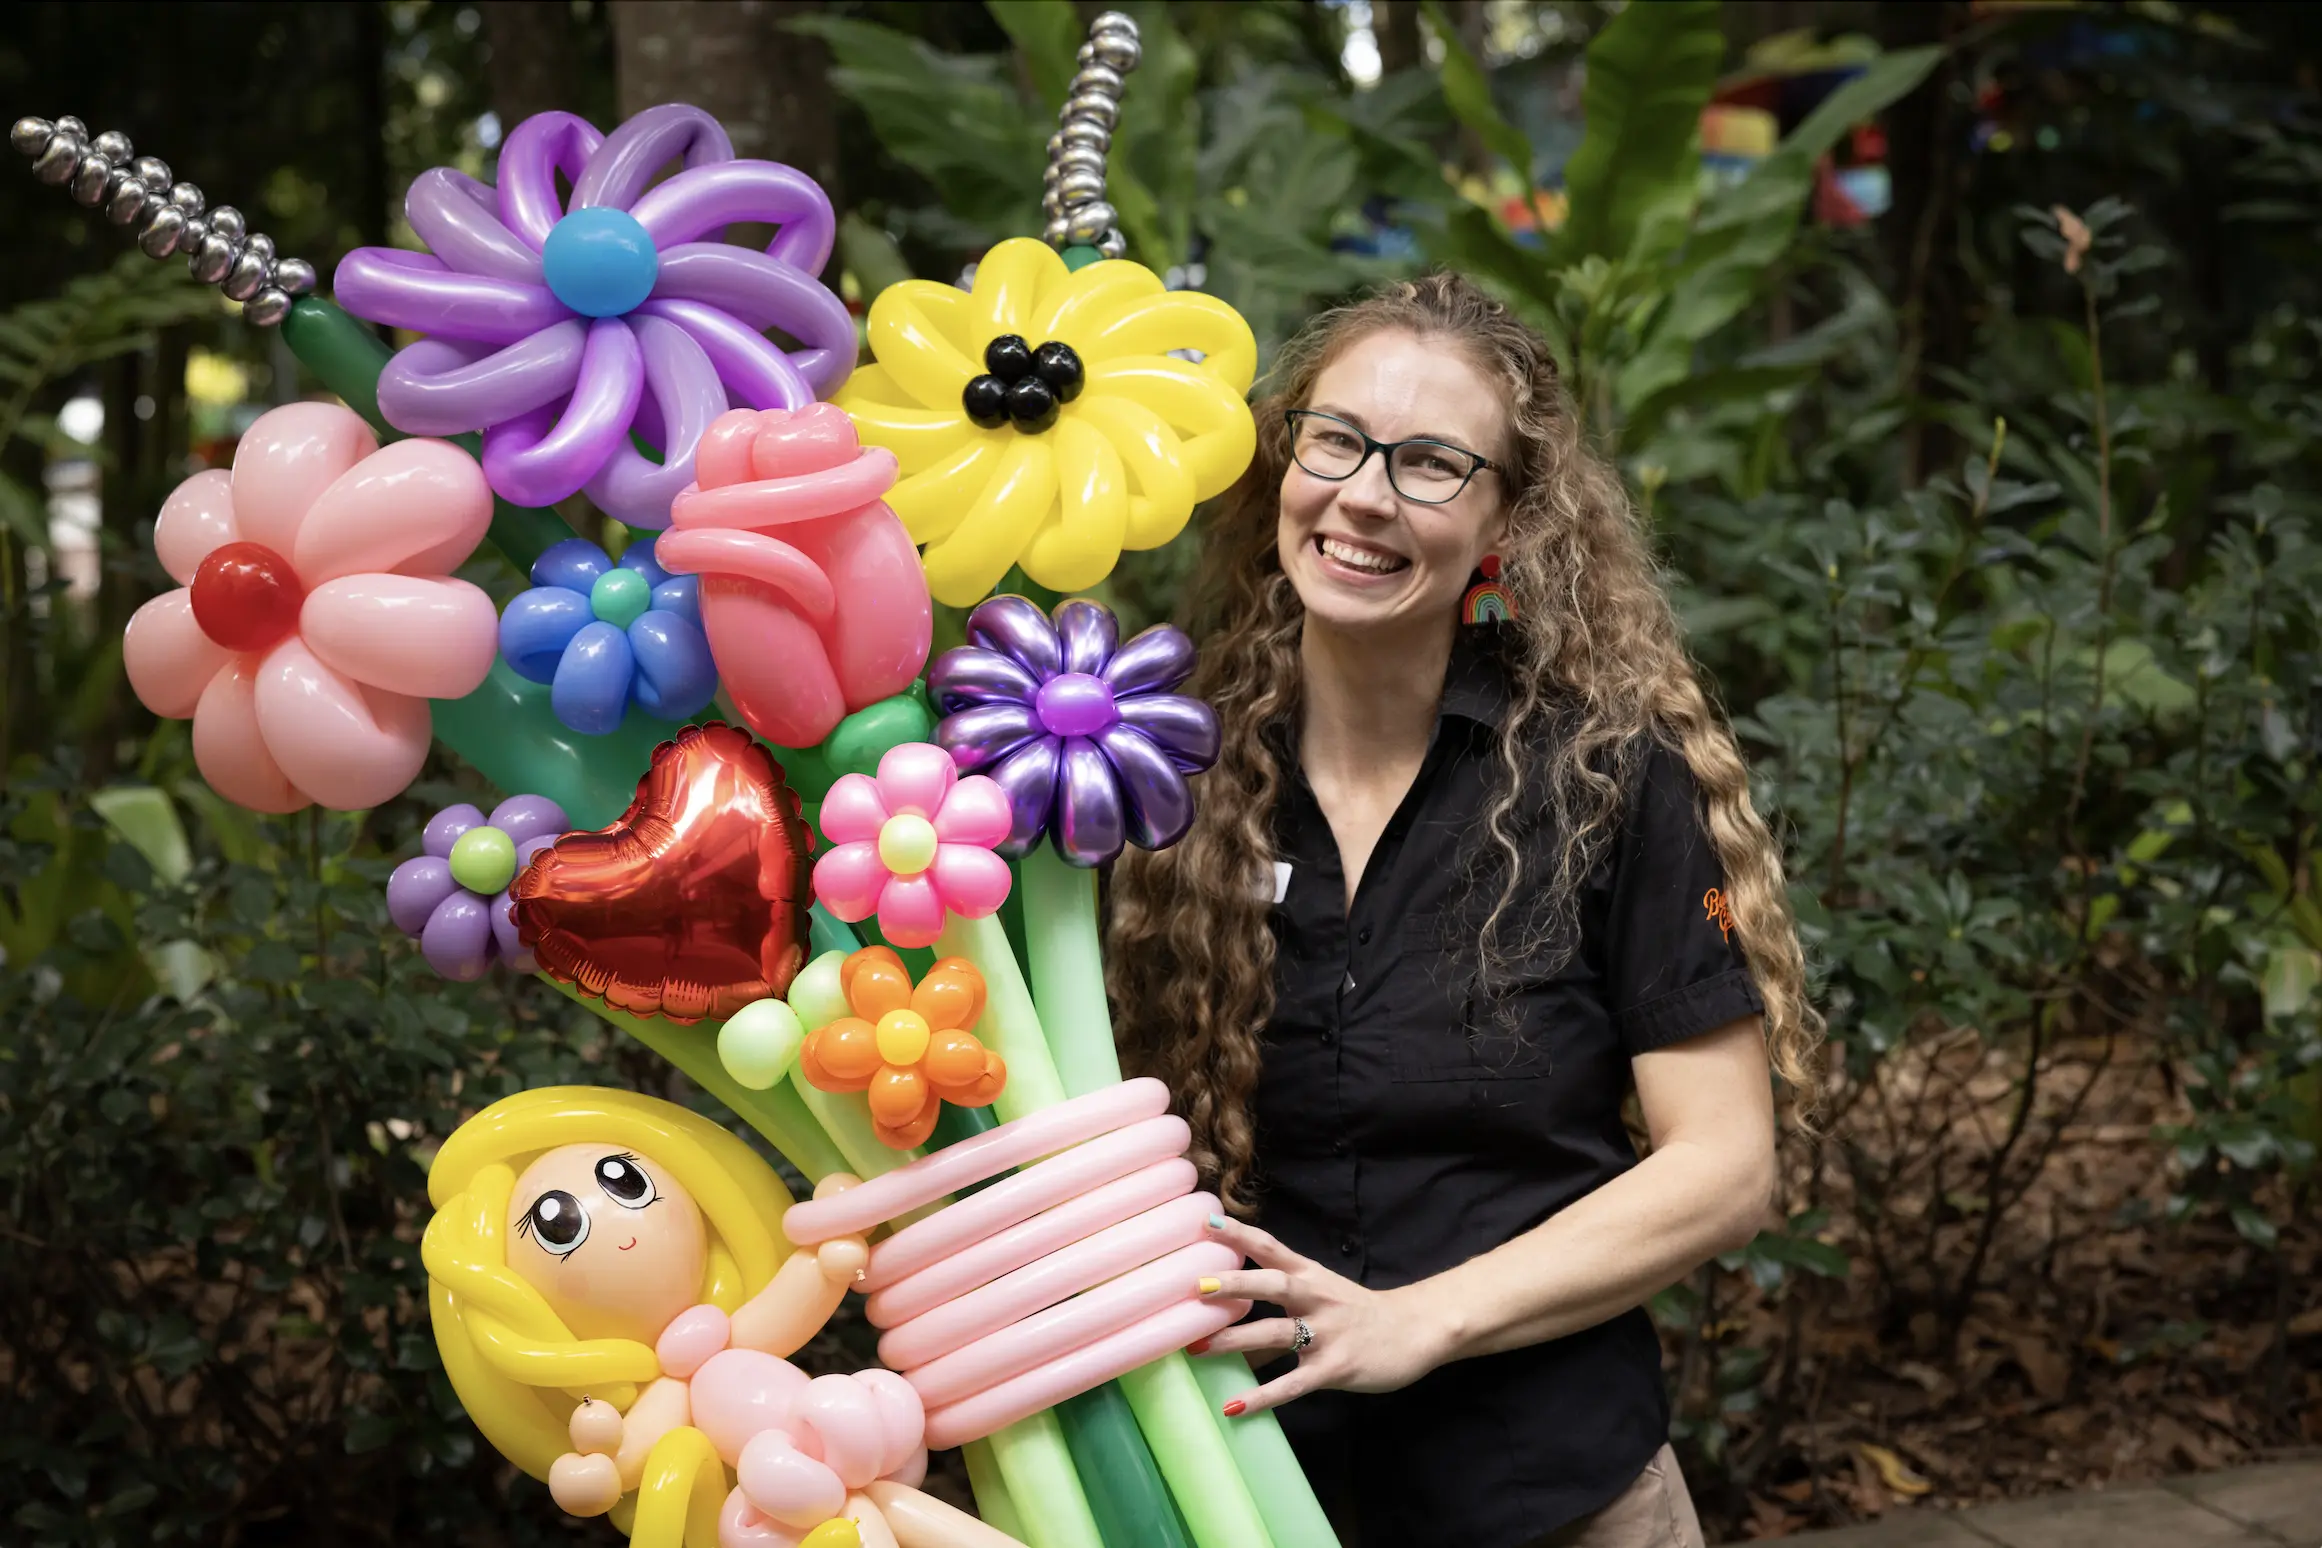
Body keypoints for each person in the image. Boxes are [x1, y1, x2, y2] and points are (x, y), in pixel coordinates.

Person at [1109, 273, 1819, 1548]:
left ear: (1507, 520)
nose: (1365, 495)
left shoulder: (1604, 781)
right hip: (1247, 1495)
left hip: (1549, 1490)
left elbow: (1724, 1167)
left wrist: (1420, 1318)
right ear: (1284, 462)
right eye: (1336, 440)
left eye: (1433, 463)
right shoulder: (1166, 773)